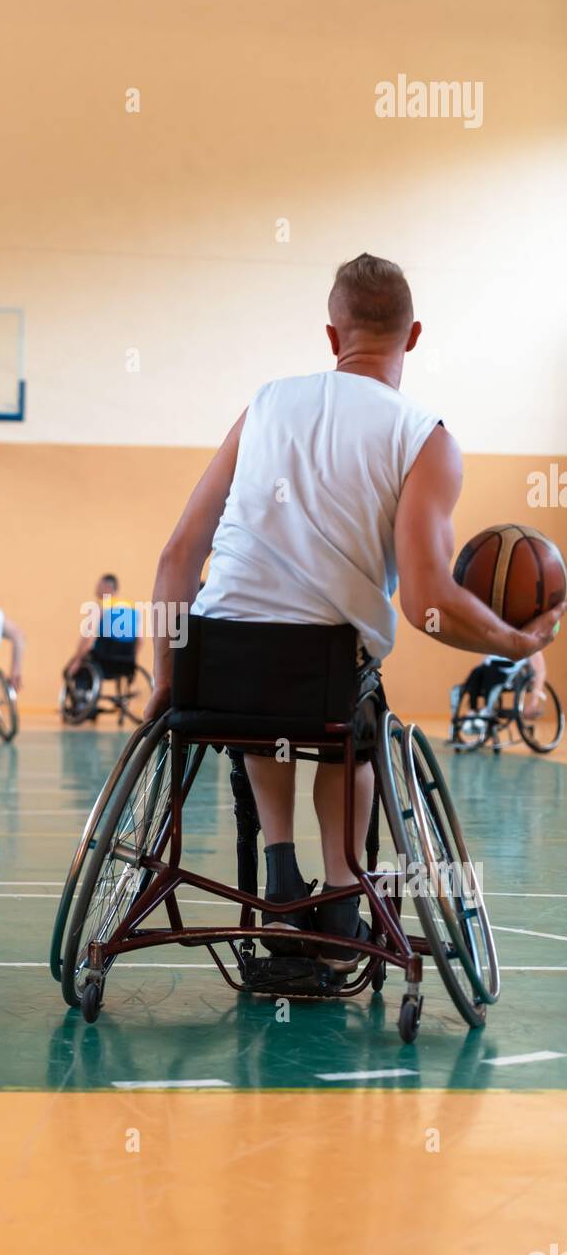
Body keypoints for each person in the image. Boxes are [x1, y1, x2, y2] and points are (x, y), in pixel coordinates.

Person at [145, 253, 564, 972]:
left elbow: (177, 555)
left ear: (333, 337)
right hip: (326, 670)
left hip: (216, 663)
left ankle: (280, 871)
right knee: (352, 722)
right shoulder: (426, 437)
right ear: (414, 335)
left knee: (259, 697)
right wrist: (512, 641)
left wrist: (165, 679)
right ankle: (340, 897)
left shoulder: (266, 404)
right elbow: (428, 604)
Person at [66, 574, 141, 686]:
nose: (95, 589)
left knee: (79, 665)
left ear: (107, 588)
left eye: (98, 585)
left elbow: (88, 637)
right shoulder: (132, 608)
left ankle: (82, 698)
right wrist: (132, 657)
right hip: (127, 660)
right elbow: (140, 640)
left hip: (104, 658)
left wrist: (77, 660)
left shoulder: (100, 606)